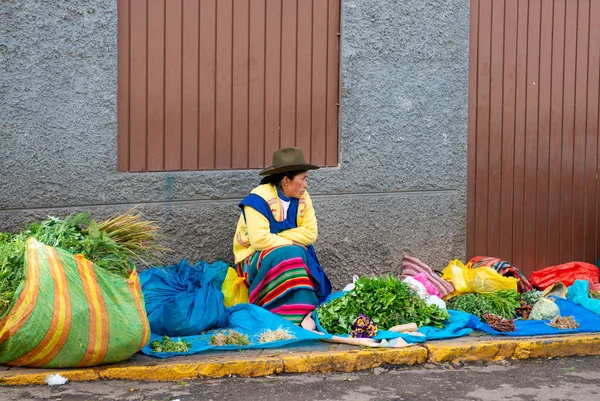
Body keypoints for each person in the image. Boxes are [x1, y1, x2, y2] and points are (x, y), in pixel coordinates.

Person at [233, 147, 331, 329]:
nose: (306, 185)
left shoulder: (303, 198)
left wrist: (276, 237)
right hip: (253, 259)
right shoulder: (258, 199)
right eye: (302, 179)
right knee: (289, 254)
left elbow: (310, 233)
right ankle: (280, 315)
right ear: (286, 180)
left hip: (292, 253)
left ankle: (304, 312)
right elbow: (259, 241)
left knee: (294, 253)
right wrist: (291, 241)